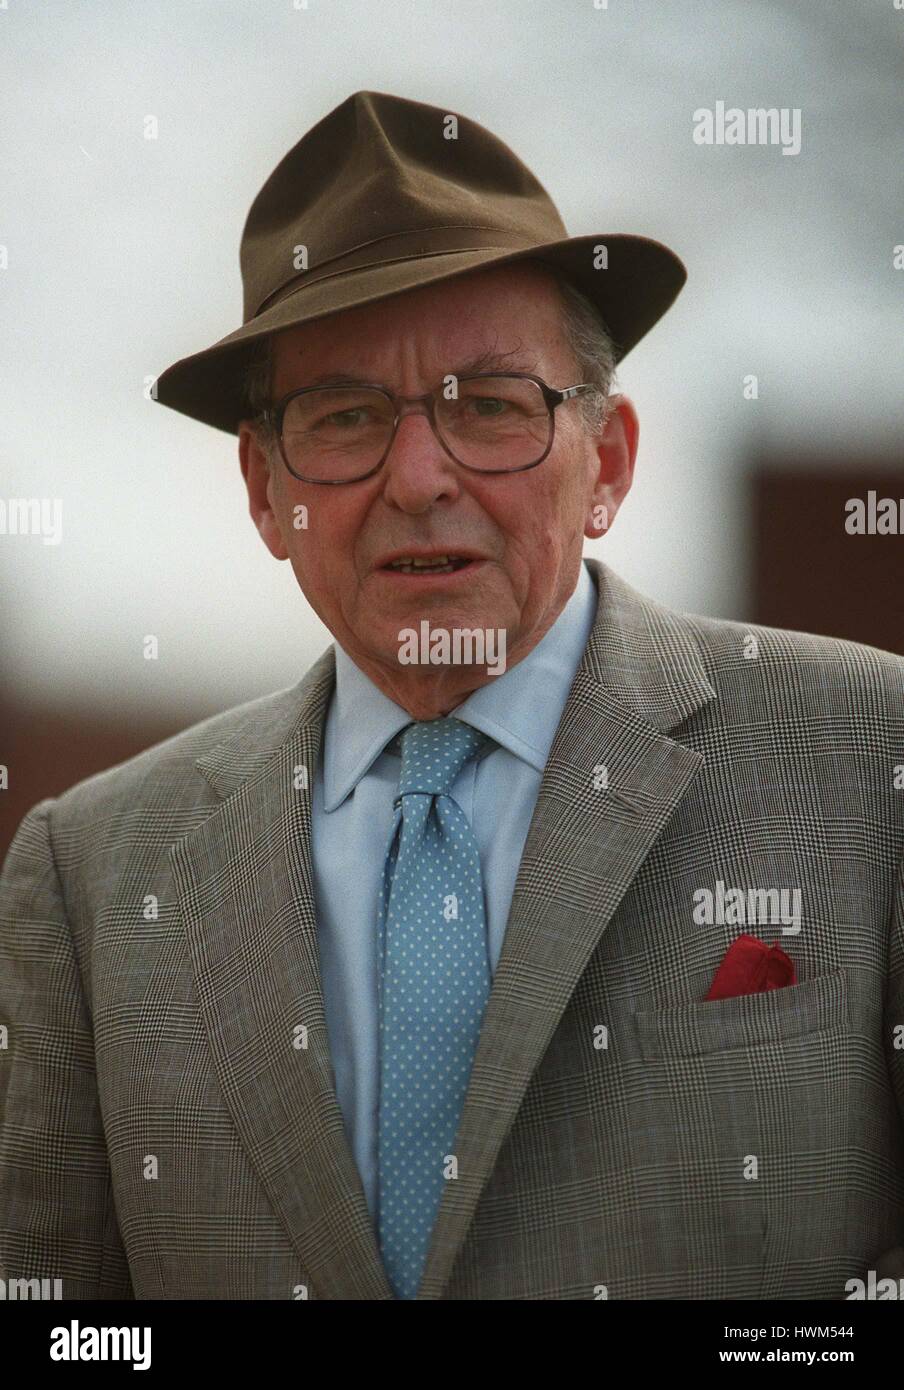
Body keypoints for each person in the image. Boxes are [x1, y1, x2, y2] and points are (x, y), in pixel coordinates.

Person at [1, 90, 902, 1301]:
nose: (419, 475)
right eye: (345, 417)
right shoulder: (90, 875)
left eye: (489, 405)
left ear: (611, 460)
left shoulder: (869, 762)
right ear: (267, 494)